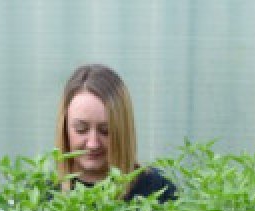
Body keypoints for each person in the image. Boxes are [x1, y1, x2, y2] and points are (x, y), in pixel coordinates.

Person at [55, 64, 176, 203]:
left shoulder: (158, 190)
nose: (93, 144)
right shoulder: (43, 195)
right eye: (81, 129)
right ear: (64, 128)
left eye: (106, 131)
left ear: (123, 130)